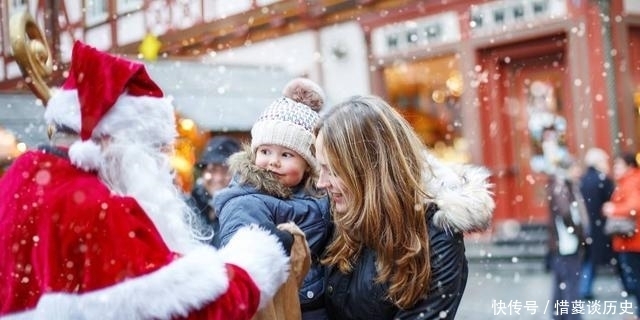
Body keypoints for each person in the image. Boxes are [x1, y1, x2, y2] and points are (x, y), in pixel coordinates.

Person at [0, 41, 294, 320]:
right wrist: (258, 257)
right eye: (153, 151)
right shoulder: (100, 209)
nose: (161, 166)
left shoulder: (18, 180)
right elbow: (190, 312)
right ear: (115, 141)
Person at [313, 95, 495, 319]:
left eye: (332, 170)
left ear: (369, 170)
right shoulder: (334, 211)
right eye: (320, 168)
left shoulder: (436, 235)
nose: (321, 182)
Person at [212, 78, 332, 319]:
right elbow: (243, 255)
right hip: (281, 306)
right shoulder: (246, 198)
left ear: (308, 165)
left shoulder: (316, 190)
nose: (273, 161)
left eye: (286, 154)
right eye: (265, 151)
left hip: (312, 302)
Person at [546, 157, 589, 320]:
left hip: (561, 243)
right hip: (566, 243)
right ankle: (571, 316)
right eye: (575, 168)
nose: (578, 172)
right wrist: (579, 232)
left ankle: (560, 315)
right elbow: (565, 214)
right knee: (570, 283)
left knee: (562, 282)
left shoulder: (561, 185)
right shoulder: (562, 186)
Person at [602, 152, 640, 316]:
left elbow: (635, 206)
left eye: (618, 165)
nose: (615, 168)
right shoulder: (627, 181)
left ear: (629, 166)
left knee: (636, 281)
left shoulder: (632, 181)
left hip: (633, 241)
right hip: (629, 240)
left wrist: (613, 209)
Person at [578, 148, 615, 300]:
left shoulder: (583, 179)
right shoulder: (603, 179)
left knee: (588, 258)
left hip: (587, 225)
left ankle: (584, 288)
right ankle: (630, 285)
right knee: (602, 258)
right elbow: (611, 200)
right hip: (601, 225)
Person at [189, 135, 241, 222]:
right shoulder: (189, 205)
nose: (218, 178)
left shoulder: (244, 210)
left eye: (226, 171)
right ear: (203, 172)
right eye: (212, 170)